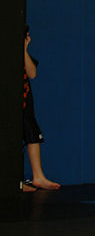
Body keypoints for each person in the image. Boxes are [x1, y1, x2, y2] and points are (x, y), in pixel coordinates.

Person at [22, 26, 60, 191]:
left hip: (25, 104)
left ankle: (38, 176)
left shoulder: (24, 55)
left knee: (33, 135)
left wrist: (24, 50)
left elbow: (32, 73)